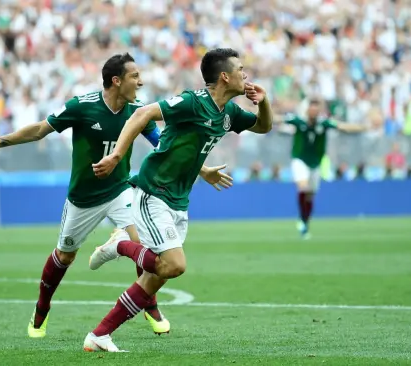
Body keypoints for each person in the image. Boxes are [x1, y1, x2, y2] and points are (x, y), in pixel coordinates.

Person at [0, 52, 230, 338]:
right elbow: (39, 130)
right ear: (116, 80)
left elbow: (166, 147)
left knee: (144, 244)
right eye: (135, 76)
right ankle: (42, 306)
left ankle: (150, 304)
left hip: (121, 188)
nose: (141, 82)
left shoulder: (138, 112)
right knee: (65, 255)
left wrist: (203, 169)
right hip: (83, 199)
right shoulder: (82, 107)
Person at [81, 48, 273, 352]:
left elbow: (264, 126)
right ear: (225, 76)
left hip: (179, 199)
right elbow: (143, 114)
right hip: (152, 190)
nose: (245, 74)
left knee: (155, 277)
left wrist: (263, 103)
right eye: (240, 69)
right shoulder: (192, 102)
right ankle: (120, 245)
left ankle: (99, 335)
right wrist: (117, 155)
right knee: (174, 265)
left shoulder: (230, 113)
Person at [281, 99, 366, 239]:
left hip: (315, 162)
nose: (313, 111)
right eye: (311, 109)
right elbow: (279, 119)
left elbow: (342, 127)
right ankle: (302, 220)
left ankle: (304, 221)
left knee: (311, 194)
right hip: (300, 159)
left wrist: (363, 127)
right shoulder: (298, 121)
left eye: (316, 109)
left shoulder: (323, 123)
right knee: (303, 187)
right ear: (307, 110)